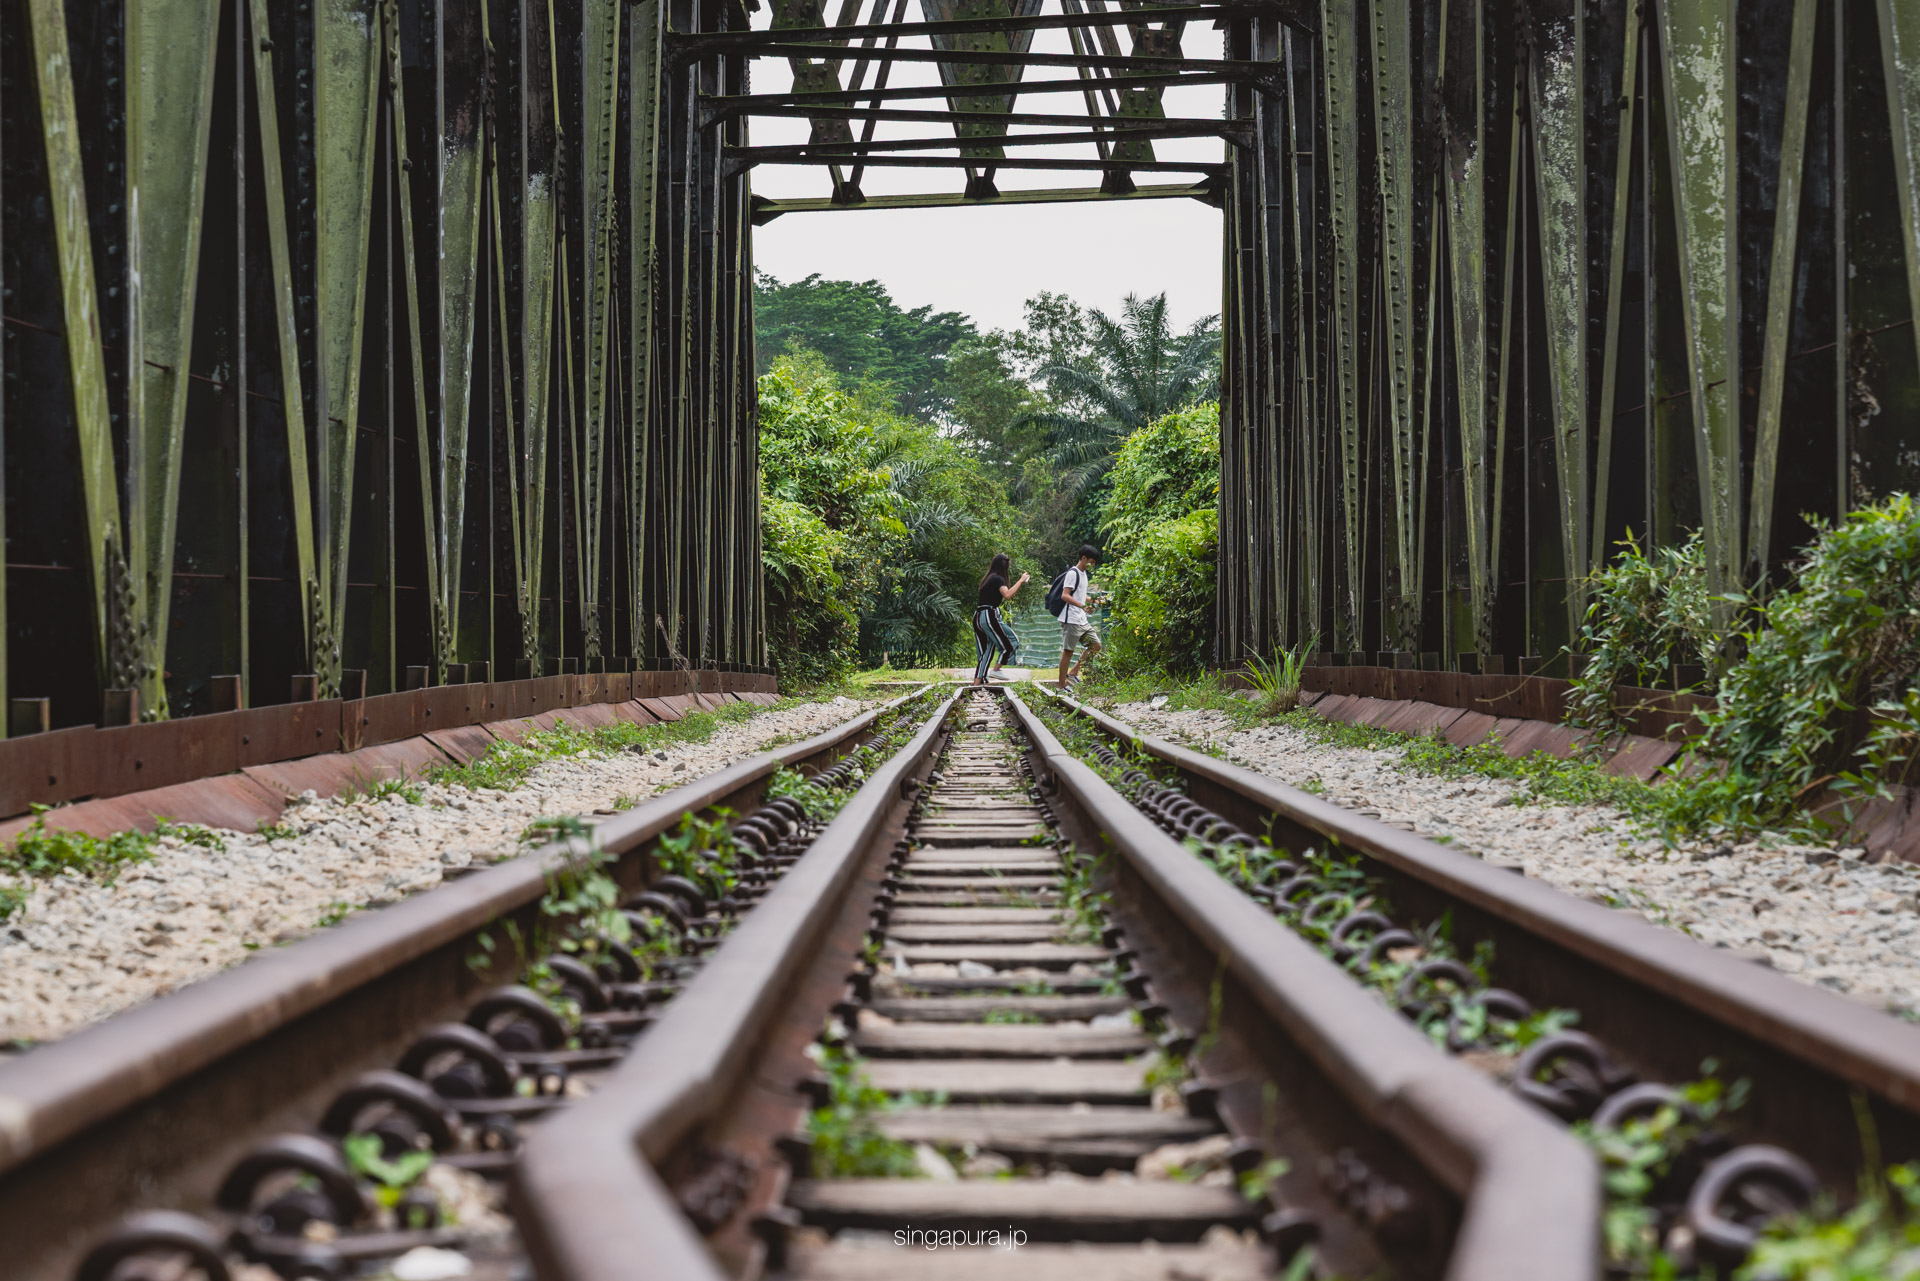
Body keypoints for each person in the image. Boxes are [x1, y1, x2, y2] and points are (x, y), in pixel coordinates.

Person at [972, 553, 1027, 685]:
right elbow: (1007, 595)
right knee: (1012, 641)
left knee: (985, 652)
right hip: (989, 616)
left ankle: (977, 684)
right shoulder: (998, 579)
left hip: (978, 617)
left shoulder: (987, 579)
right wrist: (1021, 580)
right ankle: (996, 670)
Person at [1057, 544, 1102, 692]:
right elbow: (1065, 595)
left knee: (1096, 645)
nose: (1092, 565)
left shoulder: (1083, 574)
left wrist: (1095, 601)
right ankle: (1062, 685)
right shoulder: (1073, 573)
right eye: (1092, 561)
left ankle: (1074, 671)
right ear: (1084, 558)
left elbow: (1081, 595)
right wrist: (1082, 606)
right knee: (1068, 651)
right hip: (1071, 620)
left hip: (1081, 619)